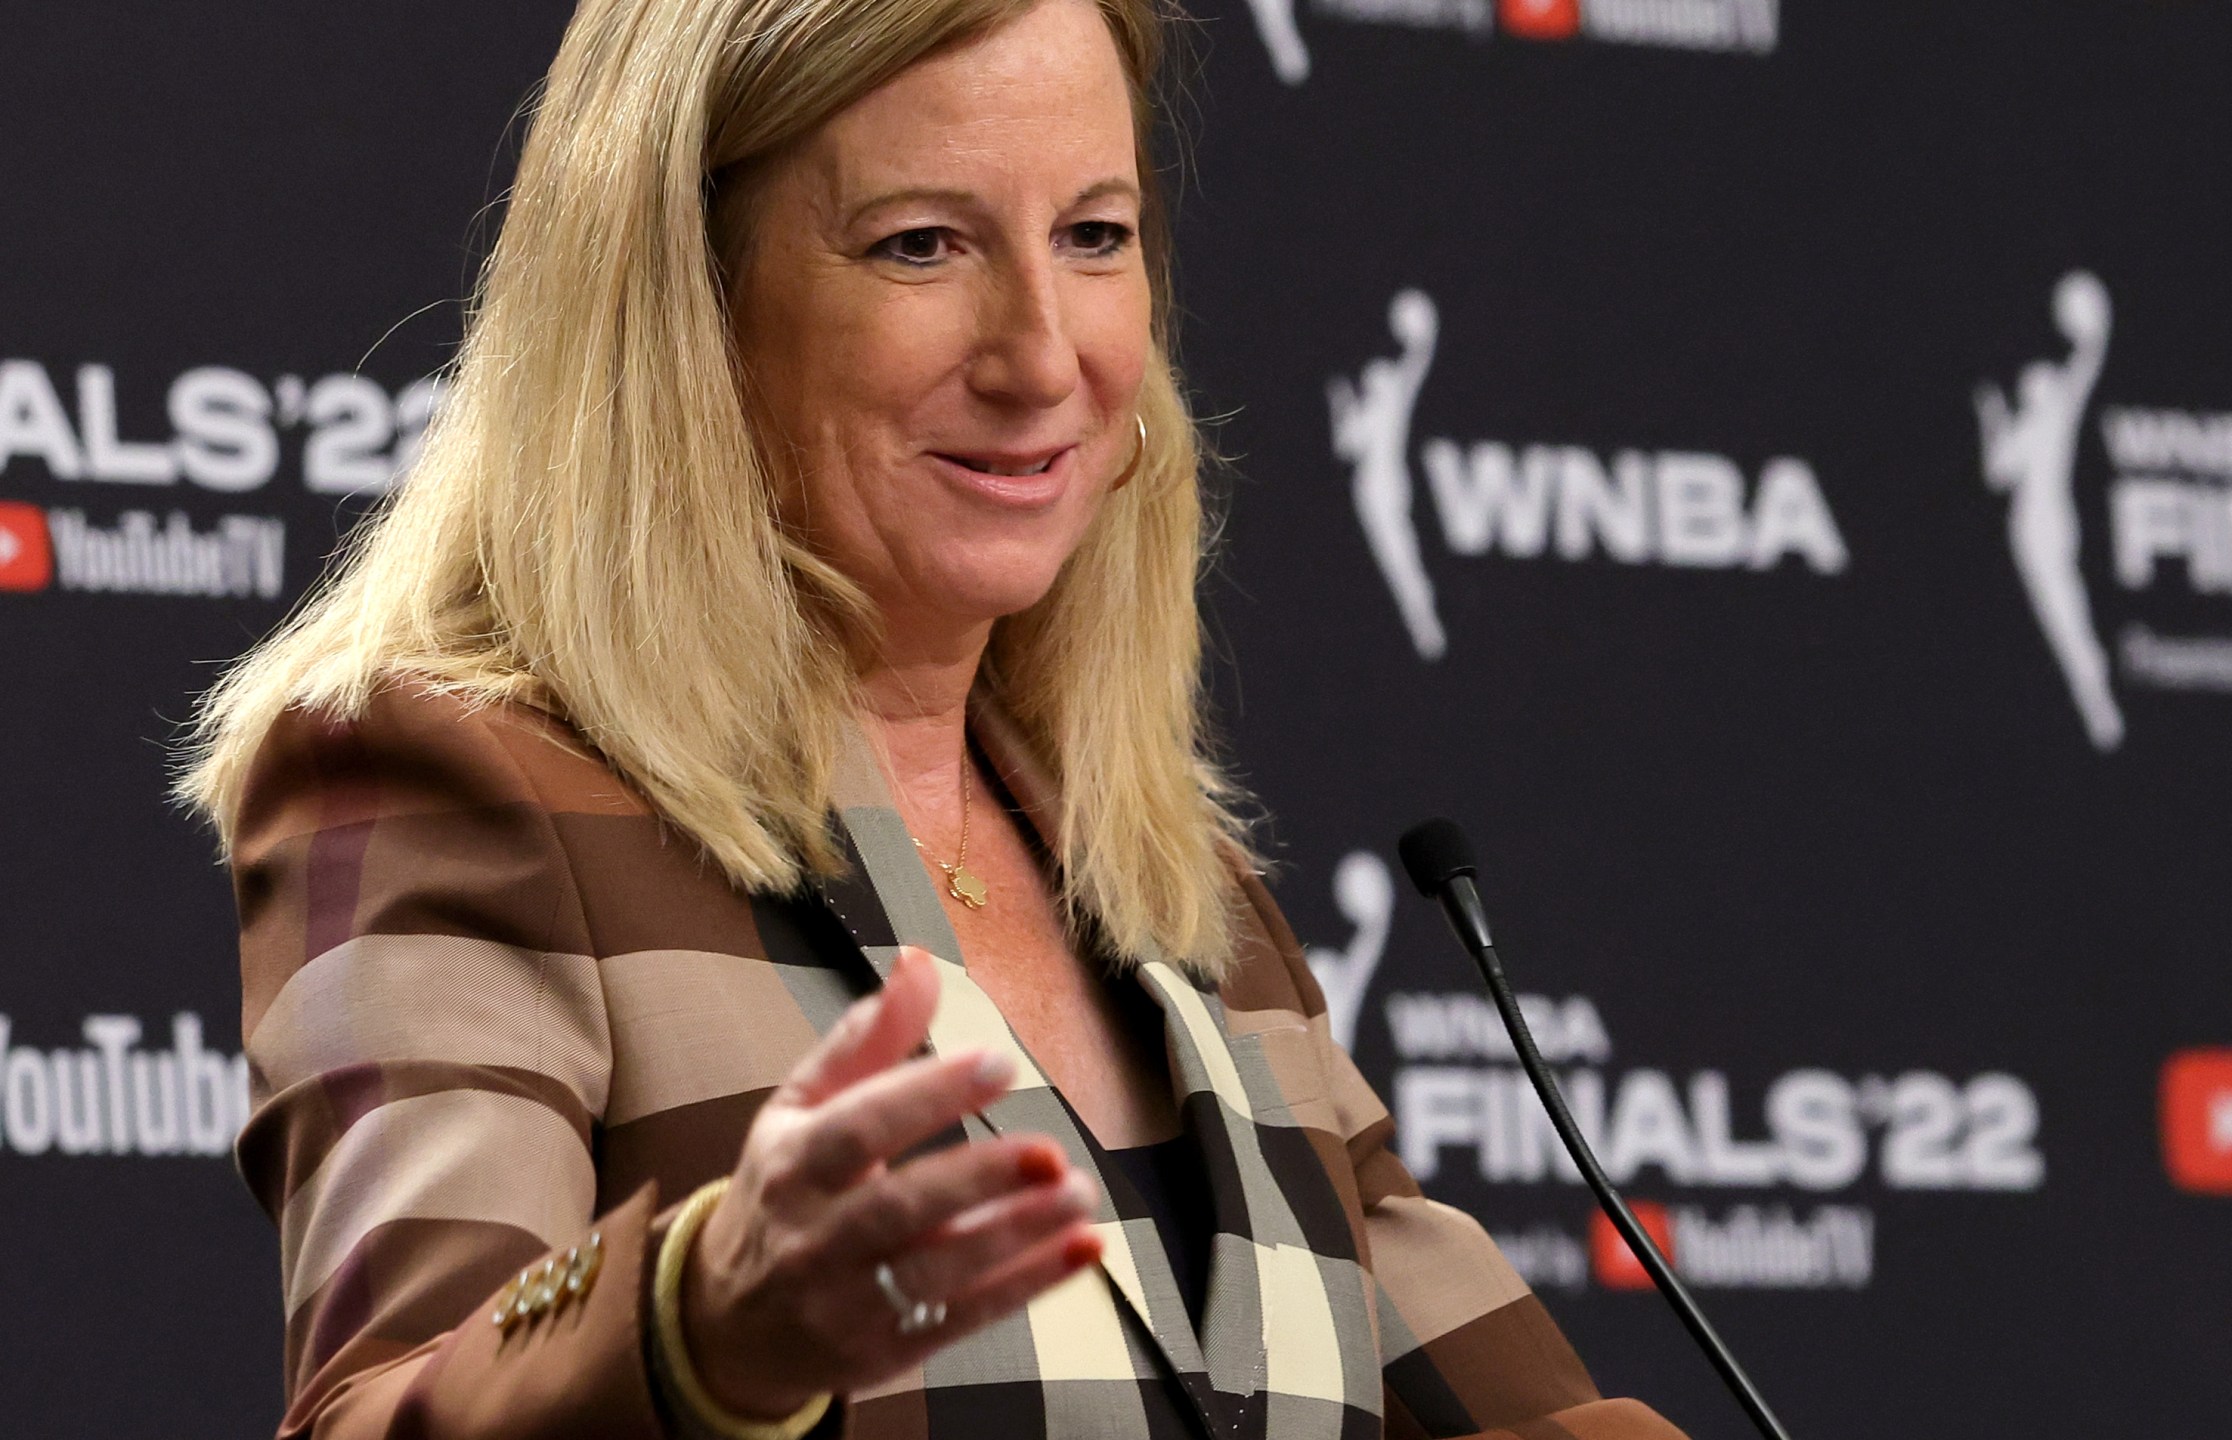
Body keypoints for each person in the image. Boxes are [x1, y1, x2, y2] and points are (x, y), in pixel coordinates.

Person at [181, 2, 1684, 1438]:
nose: (1044, 355)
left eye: (1094, 236)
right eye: (921, 245)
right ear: (683, 300)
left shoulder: (1176, 889)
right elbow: (384, 1406)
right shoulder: (460, 782)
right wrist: (701, 1329)